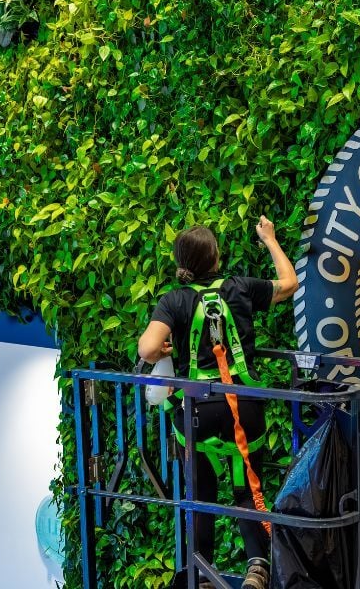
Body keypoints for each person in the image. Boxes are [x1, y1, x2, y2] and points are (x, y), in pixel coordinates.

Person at [138, 217, 298, 589]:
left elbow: (147, 348)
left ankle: (202, 573)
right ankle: (257, 568)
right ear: (216, 257)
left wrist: (163, 346)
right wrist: (270, 240)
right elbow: (288, 284)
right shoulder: (240, 287)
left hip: (197, 415)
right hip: (244, 409)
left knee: (202, 492)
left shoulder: (174, 300)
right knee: (246, 490)